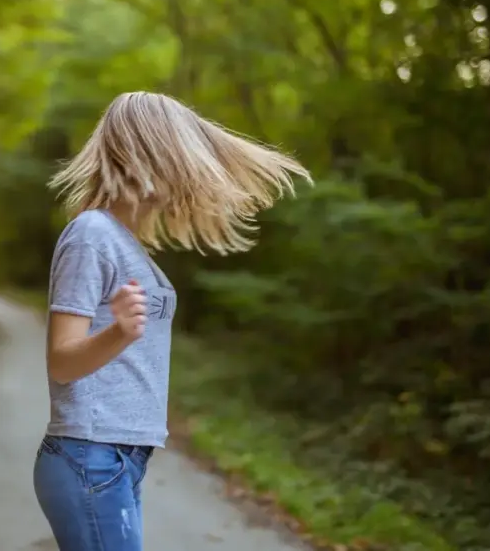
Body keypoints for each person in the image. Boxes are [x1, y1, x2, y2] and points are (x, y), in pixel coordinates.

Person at [32, 91, 311, 551]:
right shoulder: (92, 236)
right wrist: (119, 333)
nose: (183, 172)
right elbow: (61, 362)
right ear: (143, 151)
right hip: (91, 455)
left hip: (117, 459)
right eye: (175, 157)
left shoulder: (123, 242)